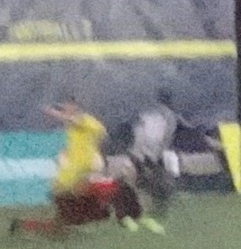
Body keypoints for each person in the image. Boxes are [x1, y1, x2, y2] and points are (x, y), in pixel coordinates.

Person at [11, 98, 144, 235]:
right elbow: (76, 125)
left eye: (70, 109)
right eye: (66, 109)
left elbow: (78, 122)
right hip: (69, 188)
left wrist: (54, 112)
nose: (68, 115)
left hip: (68, 188)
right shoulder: (77, 138)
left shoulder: (87, 124)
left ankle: (22, 225)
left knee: (63, 226)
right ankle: (130, 218)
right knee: (107, 198)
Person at [127, 91, 182, 224]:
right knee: (160, 183)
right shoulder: (168, 115)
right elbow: (166, 137)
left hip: (142, 153)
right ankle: (156, 210)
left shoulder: (148, 113)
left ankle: (146, 210)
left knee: (147, 183)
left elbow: (138, 134)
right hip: (153, 154)